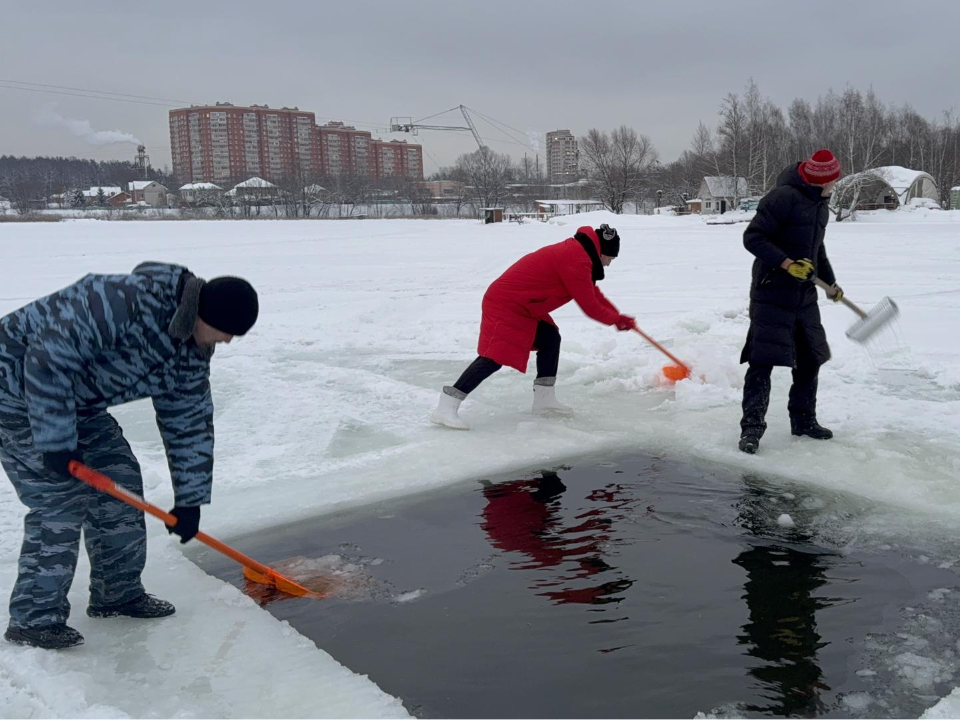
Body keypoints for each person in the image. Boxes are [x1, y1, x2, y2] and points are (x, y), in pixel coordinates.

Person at [0, 262, 259, 649]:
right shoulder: (121, 301)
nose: (227, 341)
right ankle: (34, 620)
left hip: (77, 407)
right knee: (60, 500)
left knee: (120, 484)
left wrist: (189, 501)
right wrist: (55, 439)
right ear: (203, 314)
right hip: (14, 393)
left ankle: (117, 593)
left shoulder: (192, 350)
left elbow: (188, 422)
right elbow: (47, 358)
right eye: (226, 332)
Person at [431, 224, 636, 429]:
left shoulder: (580, 253)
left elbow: (593, 294)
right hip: (506, 303)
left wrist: (618, 316)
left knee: (550, 338)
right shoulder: (576, 259)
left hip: (524, 305)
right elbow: (589, 304)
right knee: (494, 357)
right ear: (601, 251)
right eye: (610, 257)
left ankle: (544, 400)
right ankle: (446, 407)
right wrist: (616, 320)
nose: (609, 263)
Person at [738, 150, 845, 455]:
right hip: (772, 292)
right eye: (833, 180)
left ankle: (803, 420)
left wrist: (830, 283)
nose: (835, 184)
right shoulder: (782, 197)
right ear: (821, 179)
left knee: (811, 357)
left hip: (803, 295)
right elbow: (753, 238)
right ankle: (752, 429)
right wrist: (786, 264)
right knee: (763, 361)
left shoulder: (820, 205)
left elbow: (816, 249)